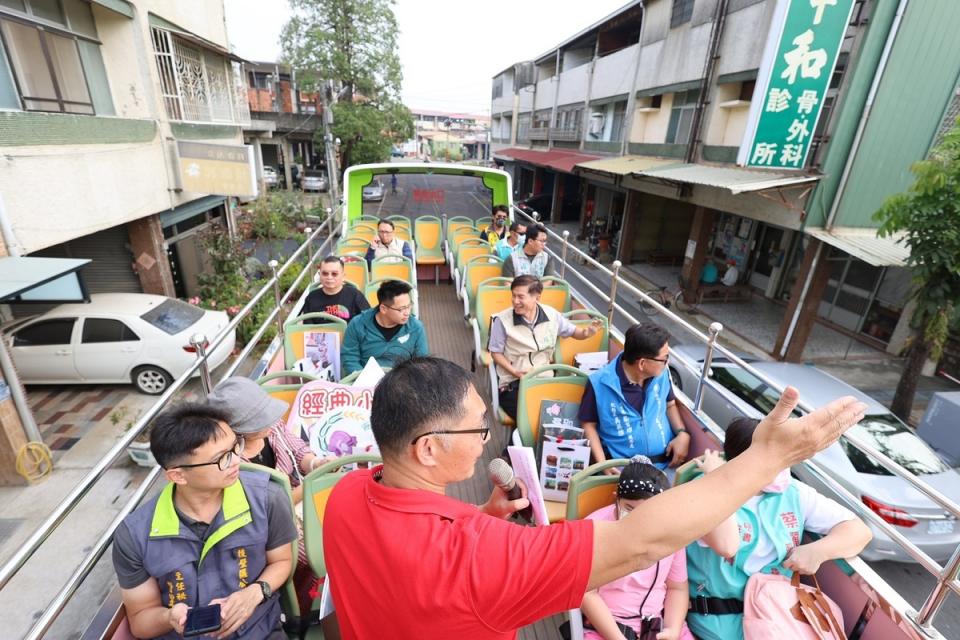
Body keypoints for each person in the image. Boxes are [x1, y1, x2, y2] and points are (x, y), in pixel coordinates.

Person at [322, 356, 867, 639]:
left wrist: (469, 514)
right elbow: (639, 541)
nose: (487, 437)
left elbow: (406, 551)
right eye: (477, 431)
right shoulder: (483, 555)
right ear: (428, 448)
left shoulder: (345, 494)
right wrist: (768, 459)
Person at [111, 404, 296, 639]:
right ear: (178, 475)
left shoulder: (266, 499)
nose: (237, 460)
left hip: (259, 630)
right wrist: (169, 618)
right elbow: (140, 621)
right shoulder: (136, 535)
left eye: (235, 447)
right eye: (222, 458)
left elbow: (281, 561)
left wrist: (255, 592)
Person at [686, 417, 873, 640]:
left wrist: (818, 551)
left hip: (779, 618)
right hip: (723, 622)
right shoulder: (704, 491)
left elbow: (859, 531)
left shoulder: (792, 491)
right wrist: (717, 481)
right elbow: (726, 546)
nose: (784, 464)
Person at [207, 377, 334, 617]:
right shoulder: (231, 462)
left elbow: (298, 450)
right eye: (261, 419)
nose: (272, 420)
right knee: (319, 553)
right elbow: (265, 503)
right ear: (238, 430)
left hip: (300, 500)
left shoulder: (273, 429)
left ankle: (318, 597)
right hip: (267, 520)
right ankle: (304, 607)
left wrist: (315, 463)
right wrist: (309, 488)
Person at [582, 456, 707, 640]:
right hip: (607, 626)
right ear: (617, 499)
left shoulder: (672, 532)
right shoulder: (593, 529)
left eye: (647, 511)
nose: (638, 519)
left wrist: (672, 630)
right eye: (630, 508)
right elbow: (586, 593)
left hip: (658, 624)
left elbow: (677, 588)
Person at [579, 323, 690, 472]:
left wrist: (683, 434)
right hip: (623, 469)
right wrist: (603, 465)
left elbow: (670, 405)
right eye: (664, 359)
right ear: (642, 363)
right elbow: (588, 425)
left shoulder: (661, 374)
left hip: (665, 464)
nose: (667, 363)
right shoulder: (599, 383)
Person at [488, 275, 601, 420]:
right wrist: (515, 372)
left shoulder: (552, 315)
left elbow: (574, 332)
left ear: (537, 297)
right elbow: (495, 353)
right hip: (514, 382)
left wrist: (587, 333)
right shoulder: (502, 320)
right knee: (533, 419)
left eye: (520, 297)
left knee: (565, 415)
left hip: (545, 378)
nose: (515, 301)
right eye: (513, 296)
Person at [340, 279, 429, 375]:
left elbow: (421, 363)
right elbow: (350, 359)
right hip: (366, 381)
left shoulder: (416, 327)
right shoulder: (358, 324)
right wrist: (364, 378)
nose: (407, 312)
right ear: (383, 309)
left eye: (409, 306)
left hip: (403, 381)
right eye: (401, 309)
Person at [300, 255, 369, 324]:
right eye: (325, 273)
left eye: (334, 274)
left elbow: (368, 320)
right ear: (319, 275)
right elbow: (307, 328)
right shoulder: (312, 297)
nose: (329, 277)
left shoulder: (355, 295)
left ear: (343, 276)